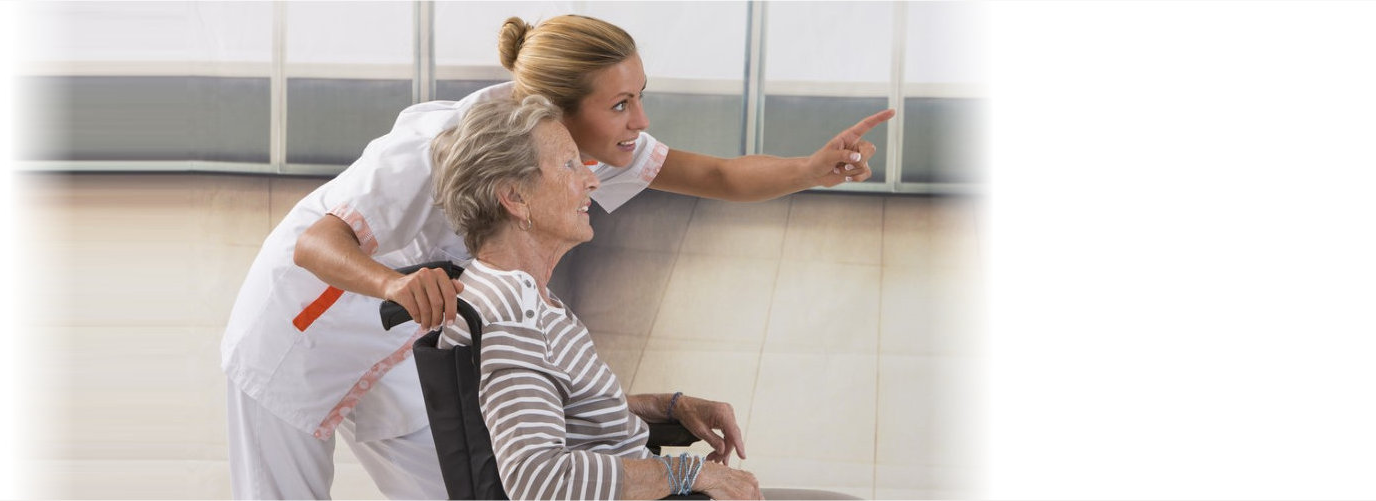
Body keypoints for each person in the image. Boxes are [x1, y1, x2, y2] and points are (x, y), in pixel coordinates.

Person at [222, 14, 891, 499]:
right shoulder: (435, 148)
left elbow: (714, 177)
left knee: (462, 484)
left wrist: (812, 167)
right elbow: (313, 243)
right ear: (556, 118)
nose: (640, 121)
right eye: (621, 104)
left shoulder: (580, 152)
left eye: (639, 96)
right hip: (297, 335)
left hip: (407, 341)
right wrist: (393, 282)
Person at [432, 93, 763, 500]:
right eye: (569, 165)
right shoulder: (511, 319)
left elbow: (561, 407)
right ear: (515, 197)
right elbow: (540, 478)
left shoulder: (517, 295)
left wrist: (667, 406)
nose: (592, 180)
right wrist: (687, 472)